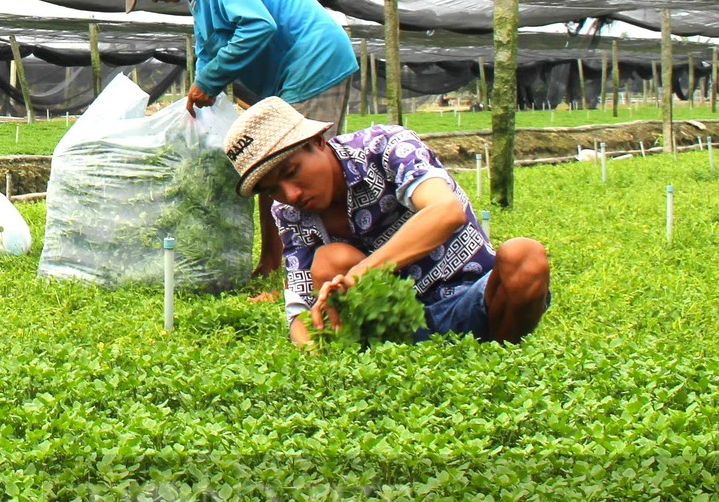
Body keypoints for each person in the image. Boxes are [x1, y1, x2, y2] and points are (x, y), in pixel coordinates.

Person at [109, 0, 358, 282]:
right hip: (290, 75)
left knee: (299, 171)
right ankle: (275, 262)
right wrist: (199, 86)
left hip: (314, 62)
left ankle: (316, 269)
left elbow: (258, 26)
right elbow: (209, 49)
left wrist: (209, 81)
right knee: (268, 168)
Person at [222, 97, 548, 348]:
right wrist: (313, 350)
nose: (290, 194)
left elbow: (445, 211)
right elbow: (300, 307)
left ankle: (498, 350)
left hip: (473, 300)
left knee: (524, 256)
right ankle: (388, 351)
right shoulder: (291, 214)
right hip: (394, 326)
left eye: (291, 173)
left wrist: (364, 273)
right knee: (330, 260)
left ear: (319, 142)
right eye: (272, 190)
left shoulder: (386, 147)